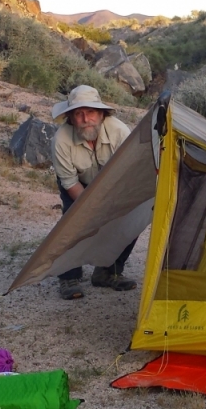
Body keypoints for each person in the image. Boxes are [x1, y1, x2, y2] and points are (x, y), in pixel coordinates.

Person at [50, 85, 138, 300]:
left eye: (90, 112)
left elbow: (128, 175)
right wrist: (94, 212)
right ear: (70, 117)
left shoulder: (120, 132)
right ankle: (69, 276)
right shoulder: (61, 140)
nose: (85, 118)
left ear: (101, 114)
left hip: (115, 185)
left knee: (130, 221)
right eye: (78, 113)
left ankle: (107, 272)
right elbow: (70, 182)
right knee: (74, 224)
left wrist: (112, 209)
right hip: (78, 184)